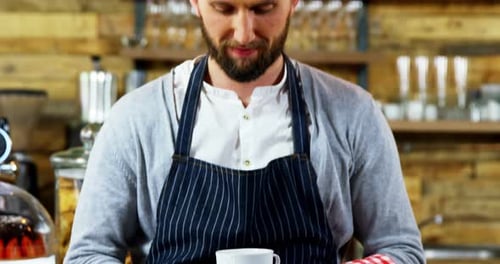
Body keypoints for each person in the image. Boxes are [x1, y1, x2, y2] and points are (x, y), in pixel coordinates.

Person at [65, 0, 425, 263]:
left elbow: (401, 250)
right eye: (224, 8)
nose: (244, 32)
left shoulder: (353, 112)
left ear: (293, 3)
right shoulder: (137, 117)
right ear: (195, 3)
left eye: (263, 8)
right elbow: (88, 254)